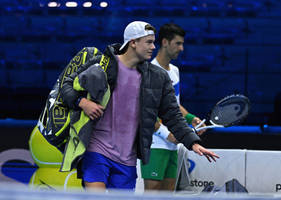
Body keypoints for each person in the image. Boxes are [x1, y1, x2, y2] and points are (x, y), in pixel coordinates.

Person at [60, 21, 219, 191]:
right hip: (96, 150)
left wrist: (193, 142)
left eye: (153, 41)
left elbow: (172, 114)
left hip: (127, 160)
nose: (153, 46)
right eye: (149, 42)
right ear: (133, 43)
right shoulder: (101, 65)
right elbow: (65, 85)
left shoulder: (158, 77)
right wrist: (82, 102)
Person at [140, 23, 206, 192]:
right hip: (154, 143)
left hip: (173, 144)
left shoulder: (175, 71)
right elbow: (145, 111)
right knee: (152, 194)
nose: (182, 48)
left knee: (169, 194)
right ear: (164, 42)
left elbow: (173, 105)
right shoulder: (149, 71)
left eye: (182, 43)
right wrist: (166, 134)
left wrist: (191, 118)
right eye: (178, 43)